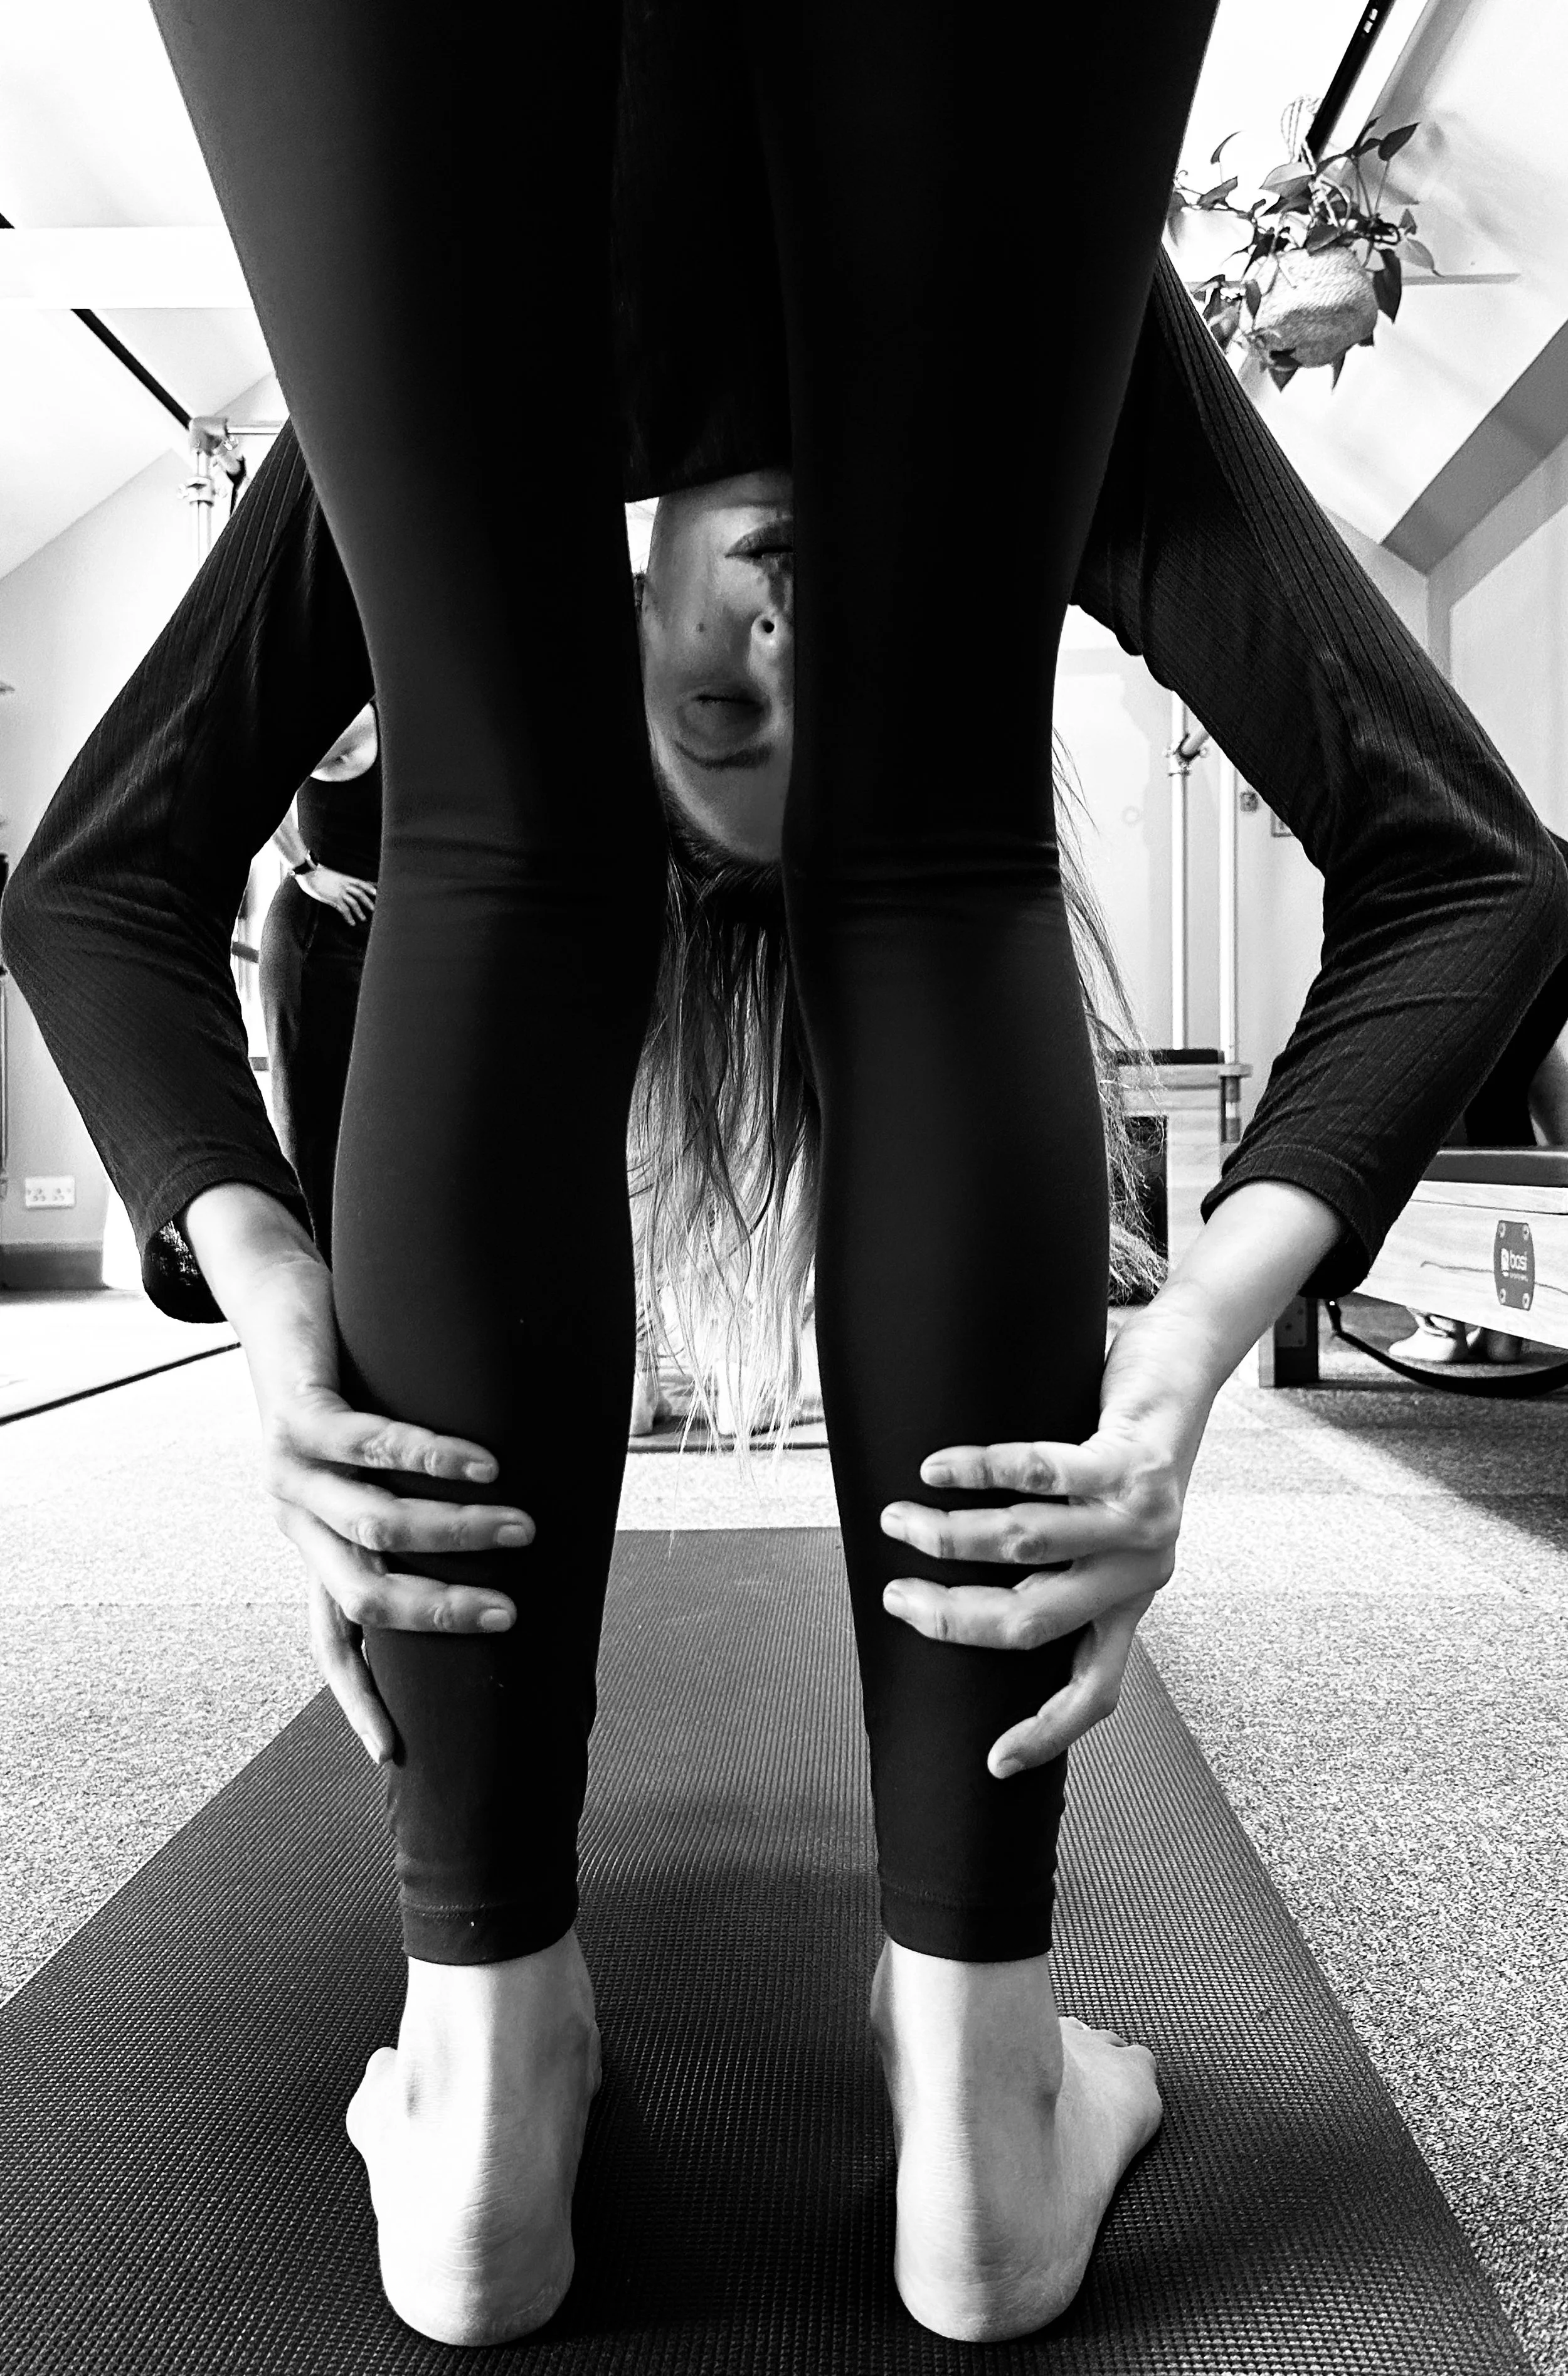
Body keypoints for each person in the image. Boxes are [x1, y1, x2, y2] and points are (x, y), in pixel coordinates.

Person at [6, 0, 1567, 2349]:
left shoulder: (465, 412)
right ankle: (979, 2106)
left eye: (717, 715)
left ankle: (483, 2072)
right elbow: (1478, 871)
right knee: (908, 853)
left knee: (505, 844)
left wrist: (267, 1285)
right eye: (783, 695)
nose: (775, 642)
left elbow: (86, 879)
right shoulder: (1059, 385)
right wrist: (1173, 1371)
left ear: (616, 621)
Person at [258, 703, 380, 1262]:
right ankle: (314, 1323)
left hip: (373, 947)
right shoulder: (355, 720)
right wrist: (308, 871)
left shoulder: (418, 710)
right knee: (314, 1142)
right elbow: (254, 776)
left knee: (368, 1138)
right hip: (315, 945)